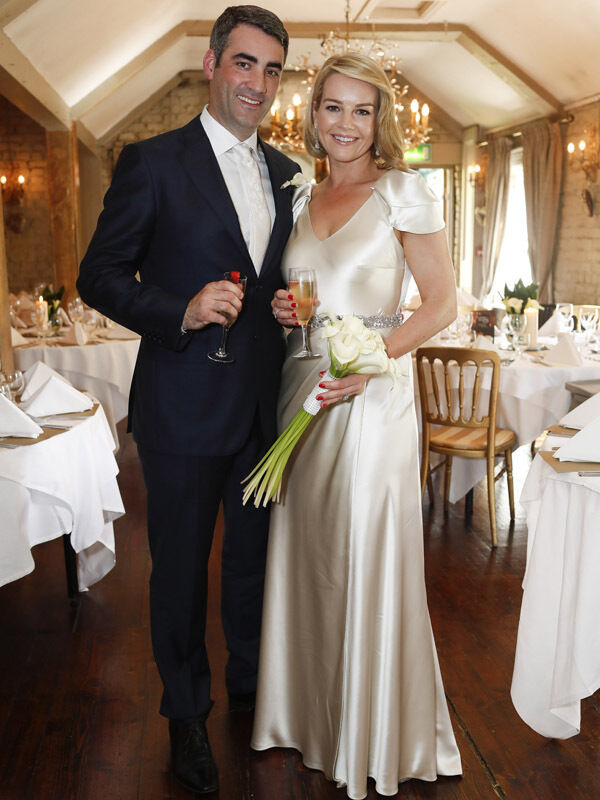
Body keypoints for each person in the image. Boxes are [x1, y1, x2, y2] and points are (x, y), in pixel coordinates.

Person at [76, 5, 299, 795]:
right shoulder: (153, 162)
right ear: (211, 64)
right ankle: (184, 717)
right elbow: (98, 275)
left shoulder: (286, 173)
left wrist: (284, 308)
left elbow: (276, 277)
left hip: (264, 409)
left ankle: (248, 688)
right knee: (178, 572)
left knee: (250, 563)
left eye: (272, 70)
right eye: (245, 64)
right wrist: (178, 309)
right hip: (179, 405)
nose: (258, 84)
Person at [251, 53, 462, 798]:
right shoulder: (301, 192)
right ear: (312, 116)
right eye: (332, 108)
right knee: (313, 556)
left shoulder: (404, 191)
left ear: (381, 121)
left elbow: (441, 304)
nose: (345, 124)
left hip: (370, 399)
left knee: (364, 549)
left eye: (361, 110)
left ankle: (371, 730)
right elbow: (306, 295)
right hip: (302, 390)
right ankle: (307, 718)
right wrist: (288, 314)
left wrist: (371, 357)